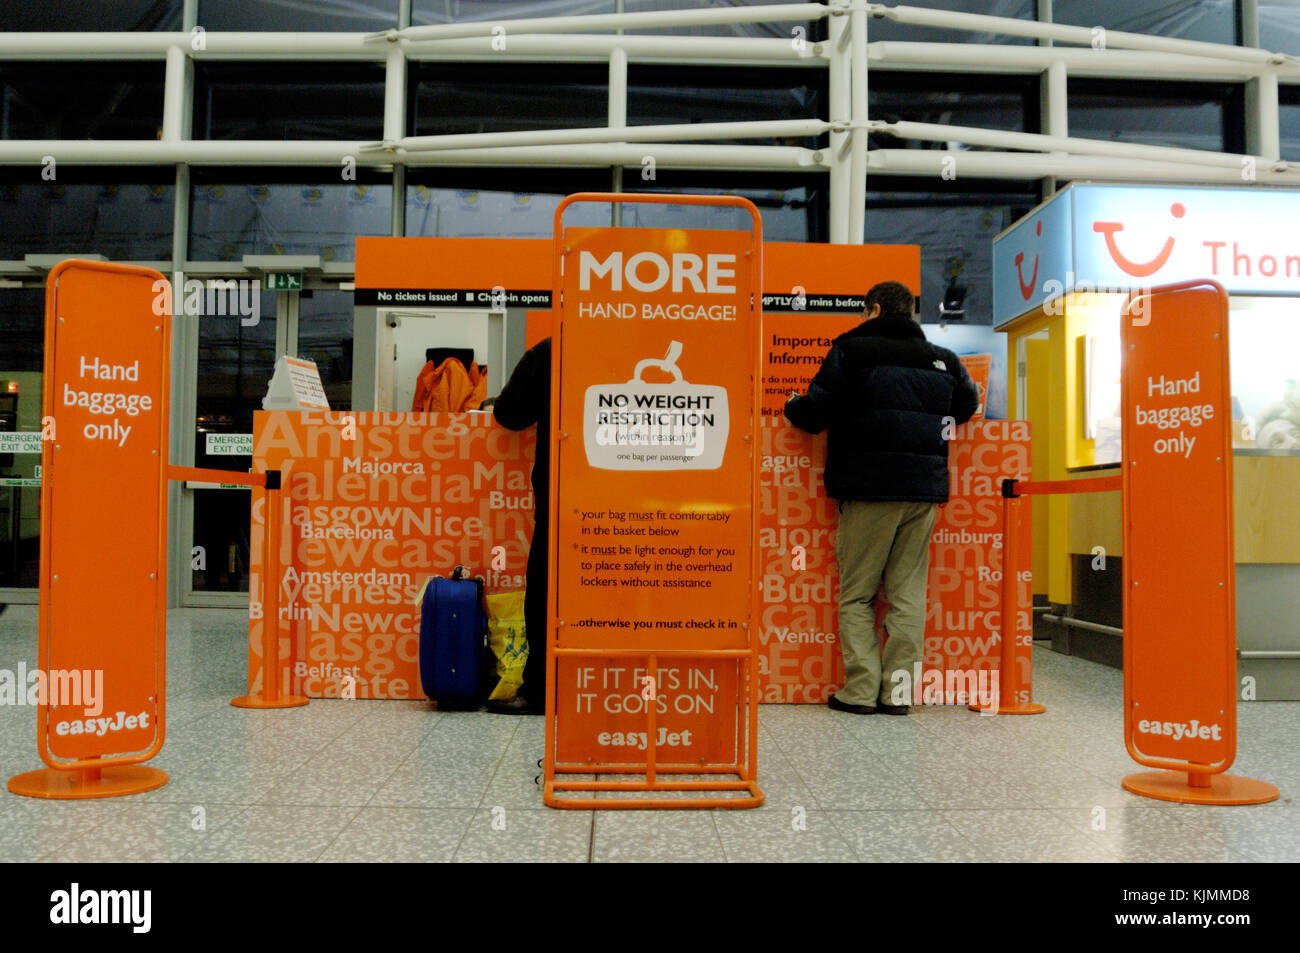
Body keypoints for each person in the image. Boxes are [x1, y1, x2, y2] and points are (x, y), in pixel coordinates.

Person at [784, 282, 979, 715]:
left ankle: (859, 692)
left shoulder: (851, 352)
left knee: (857, 595)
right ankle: (898, 694)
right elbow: (966, 407)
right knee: (908, 594)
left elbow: (814, 414)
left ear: (872, 309)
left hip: (868, 487)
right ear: (910, 313)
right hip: (923, 490)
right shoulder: (944, 360)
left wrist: (791, 404)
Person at [490, 337, 551, 714]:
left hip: (564, 487)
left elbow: (510, 415)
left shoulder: (553, 350)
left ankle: (542, 689)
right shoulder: (646, 346)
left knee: (548, 584)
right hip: (647, 493)